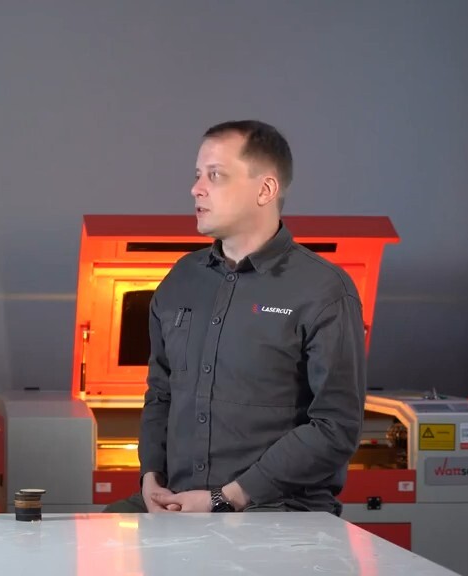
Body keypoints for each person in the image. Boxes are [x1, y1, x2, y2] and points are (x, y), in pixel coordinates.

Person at [105, 120, 366, 515]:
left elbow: (336, 427)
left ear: (265, 190)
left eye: (215, 175)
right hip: (177, 502)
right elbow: (161, 393)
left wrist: (225, 497)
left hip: (274, 509)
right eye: (197, 175)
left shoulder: (324, 291)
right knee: (87, 541)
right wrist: (151, 478)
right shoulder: (181, 280)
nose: (196, 189)